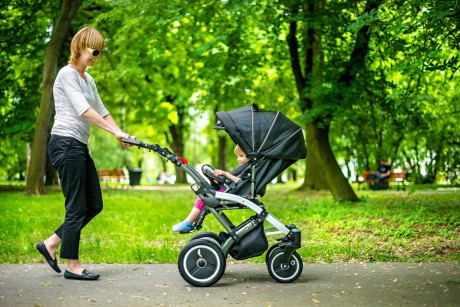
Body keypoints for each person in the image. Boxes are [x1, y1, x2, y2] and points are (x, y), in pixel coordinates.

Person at [35, 27, 134, 281]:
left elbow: (100, 109)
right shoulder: (67, 74)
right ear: (80, 47)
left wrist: (119, 132)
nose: (97, 56)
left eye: (100, 52)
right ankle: (73, 265)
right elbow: (84, 111)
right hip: (65, 144)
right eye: (95, 50)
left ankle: (51, 243)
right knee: (76, 206)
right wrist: (114, 131)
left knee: (94, 204)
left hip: (78, 146)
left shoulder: (88, 80)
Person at [172, 144, 250, 233]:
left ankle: (188, 222)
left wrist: (226, 174)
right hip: (231, 191)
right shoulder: (245, 168)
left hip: (234, 193)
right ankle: (188, 221)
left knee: (205, 195)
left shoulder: (248, 169)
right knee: (204, 195)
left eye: (241, 156)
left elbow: (240, 182)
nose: (238, 159)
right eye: (237, 156)